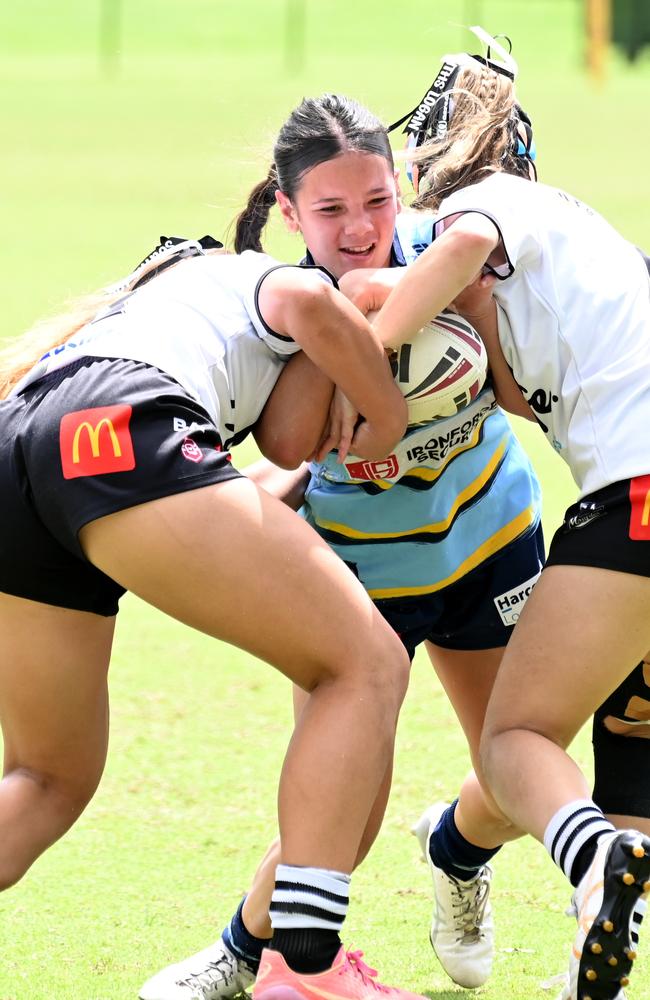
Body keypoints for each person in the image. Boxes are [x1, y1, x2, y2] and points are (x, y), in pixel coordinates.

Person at [139, 90, 546, 1000]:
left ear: (401, 185)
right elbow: (277, 449)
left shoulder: (445, 258)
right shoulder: (281, 317)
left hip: (492, 537)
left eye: (376, 199)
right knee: (343, 813)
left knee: (522, 772)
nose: (361, 228)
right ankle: (246, 955)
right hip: (361, 575)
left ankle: (455, 845)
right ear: (288, 214)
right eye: (330, 210)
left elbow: (518, 381)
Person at [0, 234, 438, 1000]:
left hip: (21, 451)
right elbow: (310, 306)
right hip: (116, 432)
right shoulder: (274, 280)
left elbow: (239, 488)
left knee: (46, 777)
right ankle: (306, 969)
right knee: (366, 664)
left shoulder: (152, 315)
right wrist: (386, 409)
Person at [343, 41, 650, 1000]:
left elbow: (467, 245)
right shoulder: (582, 242)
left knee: (517, 740)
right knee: (627, 763)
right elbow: (523, 392)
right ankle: (560, 914)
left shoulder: (494, 208)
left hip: (634, 506)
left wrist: (366, 349)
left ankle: (591, 862)